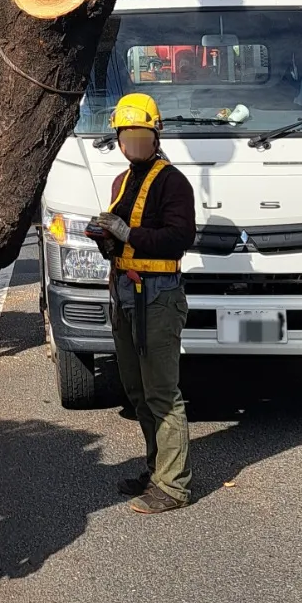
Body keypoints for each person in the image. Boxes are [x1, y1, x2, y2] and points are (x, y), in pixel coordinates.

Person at [88, 93, 197, 515]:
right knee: (135, 389)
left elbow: (180, 237)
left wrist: (129, 234)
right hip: (124, 291)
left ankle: (174, 485)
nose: (131, 143)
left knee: (162, 392)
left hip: (158, 294)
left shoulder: (173, 182)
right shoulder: (122, 182)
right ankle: (155, 470)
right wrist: (106, 238)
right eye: (125, 136)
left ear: (155, 135)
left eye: (139, 135)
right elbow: (118, 244)